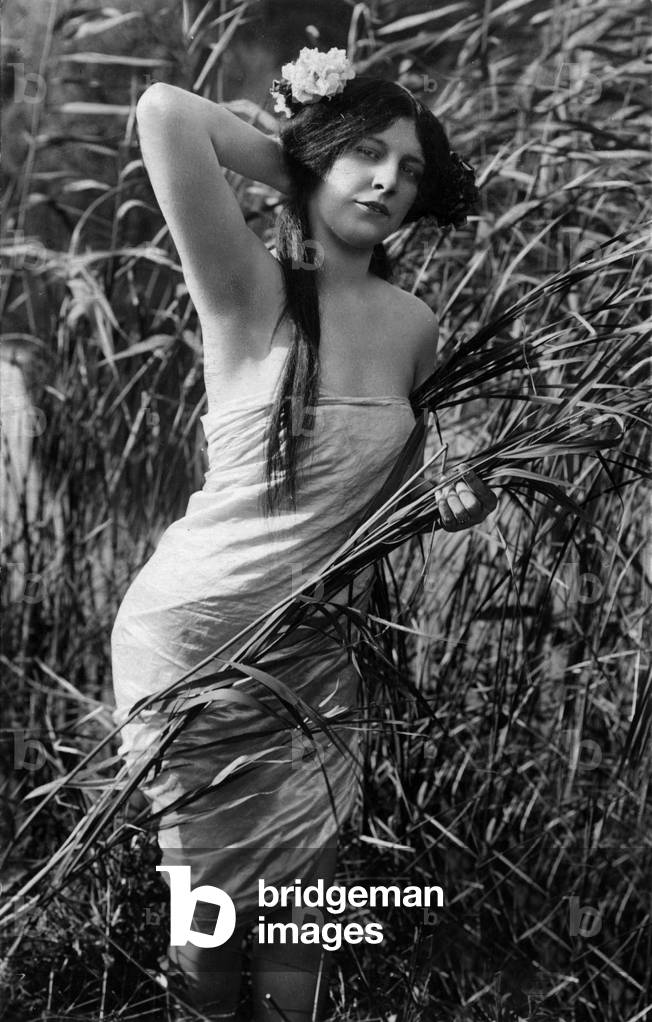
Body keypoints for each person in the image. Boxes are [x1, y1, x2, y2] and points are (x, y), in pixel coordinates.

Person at [111, 47, 498, 1022]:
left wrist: (459, 485)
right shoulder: (246, 285)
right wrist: (295, 153)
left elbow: (403, 479)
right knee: (205, 921)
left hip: (313, 649)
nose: (388, 180)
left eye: (409, 169)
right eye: (365, 154)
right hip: (197, 638)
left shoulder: (414, 321)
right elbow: (165, 110)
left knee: (303, 919)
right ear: (317, 159)